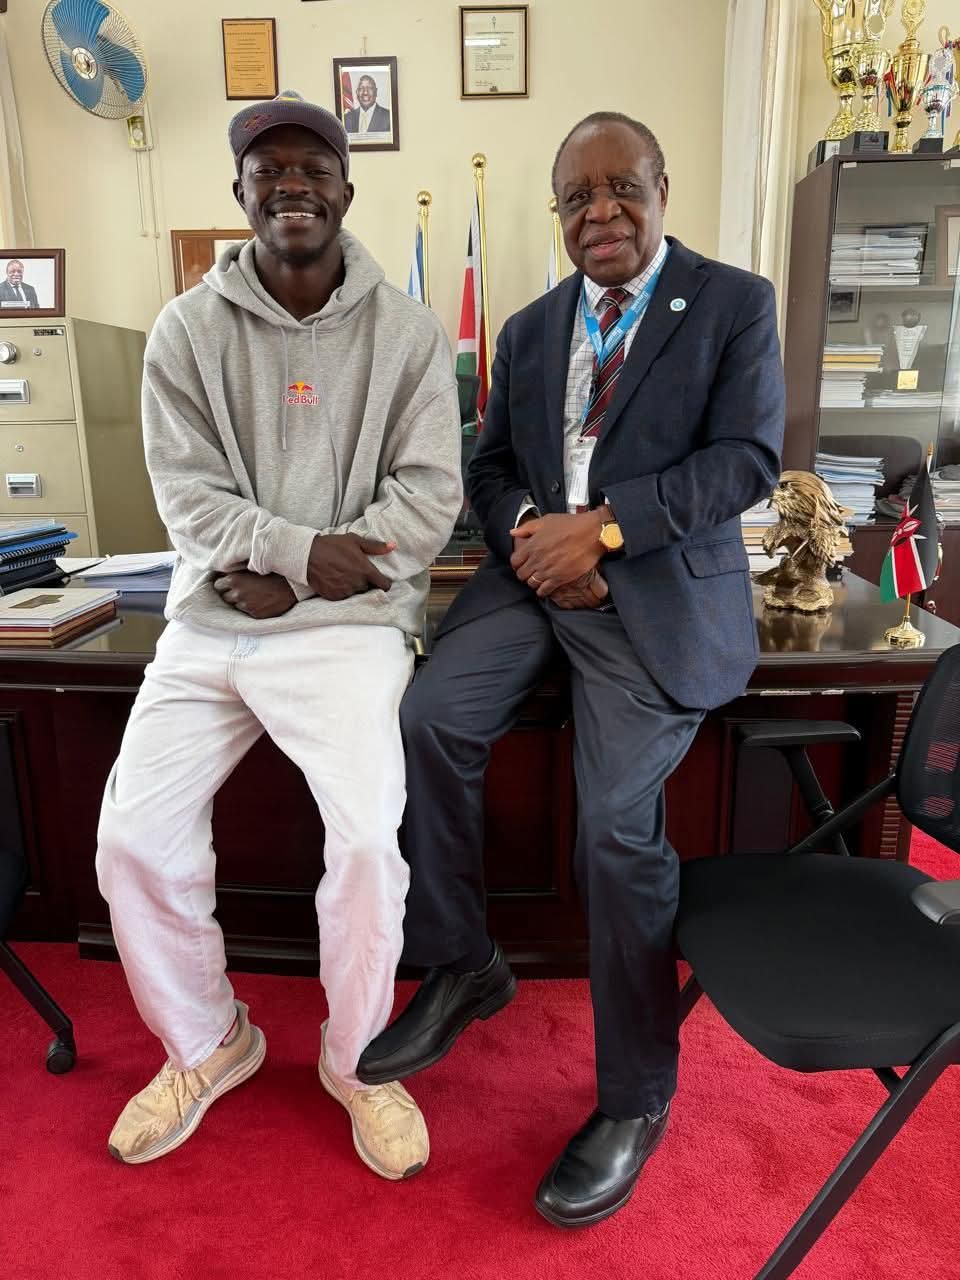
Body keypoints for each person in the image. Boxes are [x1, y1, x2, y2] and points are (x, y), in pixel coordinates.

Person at [357, 111, 785, 1224]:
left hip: (651, 591)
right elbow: (491, 463)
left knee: (615, 830)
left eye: (620, 187)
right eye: (577, 197)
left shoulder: (733, 303)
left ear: (661, 187)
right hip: (531, 580)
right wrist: (531, 538)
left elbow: (746, 459)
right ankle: (464, 961)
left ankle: (636, 1096)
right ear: (558, 214)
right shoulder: (533, 325)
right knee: (428, 720)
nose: (600, 212)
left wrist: (602, 533)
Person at [95, 91, 462, 1180]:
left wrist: (296, 577)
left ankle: (359, 1061)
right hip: (215, 618)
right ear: (241, 191)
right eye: (269, 170)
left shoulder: (408, 333)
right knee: (131, 839)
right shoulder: (184, 331)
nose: (291, 184)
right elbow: (187, 501)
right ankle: (210, 1041)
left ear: (347, 188)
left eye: (313, 167)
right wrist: (304, 553)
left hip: (349, 627)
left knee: (367, 846)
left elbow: (427, 503)